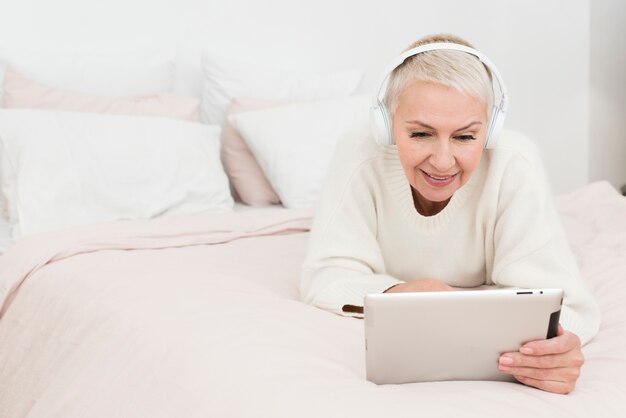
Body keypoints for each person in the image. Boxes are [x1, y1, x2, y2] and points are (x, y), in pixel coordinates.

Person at [300, 33, 600, 395]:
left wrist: (556, 345)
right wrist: (404, 292)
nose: (442, 162)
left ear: (490, 131)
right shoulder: (360, 152)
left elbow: (569, 303)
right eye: (421, 133)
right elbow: (327, 275)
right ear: (387, 125)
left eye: (464, 137)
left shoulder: (514, 162)